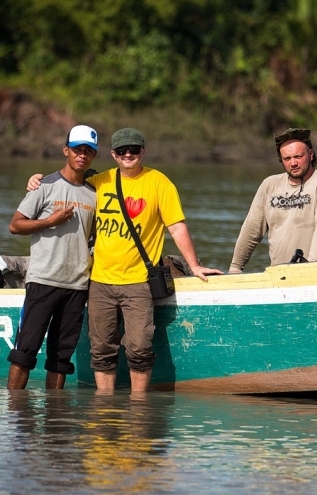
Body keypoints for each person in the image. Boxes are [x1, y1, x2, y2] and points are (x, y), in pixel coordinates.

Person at [28, 127, 222, 392]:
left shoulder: (159, 182)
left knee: (140, 347)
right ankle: (104, 403)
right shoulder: (100, 181)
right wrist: (37, 180)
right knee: (102, 349)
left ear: (143, 152)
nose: (127, 155)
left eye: (133, 150)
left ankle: (139, 407)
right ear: (113, 154)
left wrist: (195, 265)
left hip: (138, 282)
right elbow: (67, 180)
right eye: (121, 151)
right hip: (99, 281)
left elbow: (176, 227)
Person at [6, 125, 99, 390]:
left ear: (94, 156)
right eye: (77, 149)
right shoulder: (45, 185)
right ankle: (16, 419)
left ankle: (55, 418)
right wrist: (50, 221)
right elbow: (15, 225)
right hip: (44, 280)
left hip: (77, 285)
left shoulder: (95, 194)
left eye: (88, 151)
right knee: (25, 351)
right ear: (66, 150)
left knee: (60, 359)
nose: (82, 155)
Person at [229, 128, 317, 272]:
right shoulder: (270, 184)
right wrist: (235, 267)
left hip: (312, 271)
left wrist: (312, 267)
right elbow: (251, 230)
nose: (293, 163)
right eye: (287, 159)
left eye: (298, 156)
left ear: (311, 154)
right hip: (278, 274)